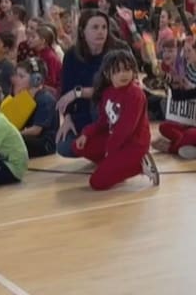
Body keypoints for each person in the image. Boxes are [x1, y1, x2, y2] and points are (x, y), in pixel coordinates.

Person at [71, 51, 159, 190]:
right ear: (107, 73)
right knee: (78, 145)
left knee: (96, 182)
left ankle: (139, 165)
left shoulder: (135, 94)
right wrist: (86, 134)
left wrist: (109, 151)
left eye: (127, 69)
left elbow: (125, 129)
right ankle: (115, 167)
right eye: (117, 71)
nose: (123, 74)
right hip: (115, 140)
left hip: (133, 145)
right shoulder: (108, 92)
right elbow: (103, 122)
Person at [56, 10, 128, 157]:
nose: (100, 32)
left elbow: (113, 90)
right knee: (64, 147)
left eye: (104, 27)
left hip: (112, 110)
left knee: (98, 102)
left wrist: (79, 92)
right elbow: (65, 92)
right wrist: (67, 119)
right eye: (95, 28)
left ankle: (113, 146)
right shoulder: (72, 55)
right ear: (83, 31)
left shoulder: (118, 50)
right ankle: (102, 148)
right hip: (83, 114)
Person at [11, 58, 58, 158]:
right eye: (17, 75)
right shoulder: (24, 95)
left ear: (36, 79)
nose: (16, 79)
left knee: (11, 141)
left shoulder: (45, 99)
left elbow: (36, 130)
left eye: (21, 76)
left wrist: (13, 134)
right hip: (30, 138)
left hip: (44, 144)